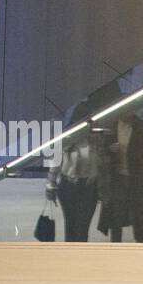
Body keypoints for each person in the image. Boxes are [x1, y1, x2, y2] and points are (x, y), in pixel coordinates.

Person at [94, 111, 143, 243]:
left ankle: (140, 242)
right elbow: (102, 150)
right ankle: (116, 244)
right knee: (116, 215)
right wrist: (110, 150)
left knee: (140, 215)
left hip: (138, 178)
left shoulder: (142, 128)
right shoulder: (111, 126)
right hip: (118, 178)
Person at [44, 100, 99, 241]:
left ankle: (79, 259)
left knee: (83, 227)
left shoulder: (96, 139)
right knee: (71, 225)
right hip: (69, 186)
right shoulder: (66, 139)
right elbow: (55, 163)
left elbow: (102, 164)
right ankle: (70, 258)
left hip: (89, 187)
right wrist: (51, 185)